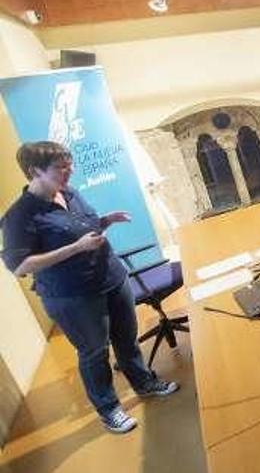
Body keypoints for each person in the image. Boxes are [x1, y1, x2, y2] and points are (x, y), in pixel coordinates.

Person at [1, 141, 179, 434]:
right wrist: (75, 248)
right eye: (61, 167)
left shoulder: (69, 192)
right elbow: (20, 266)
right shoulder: (19, 216)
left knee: (126, 339)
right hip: (73, 296)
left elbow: (87, 227)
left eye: (69, 164)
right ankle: (109, 409)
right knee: (94, 352)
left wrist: (106, 221)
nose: (69, 170)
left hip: (111, 277)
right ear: (34, 171)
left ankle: (145, 383)